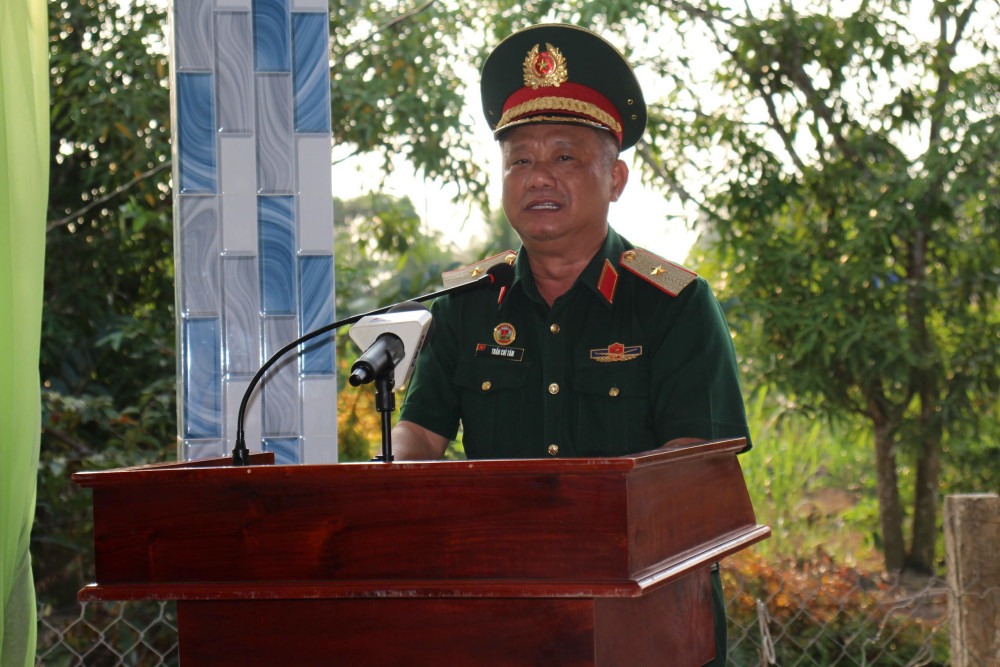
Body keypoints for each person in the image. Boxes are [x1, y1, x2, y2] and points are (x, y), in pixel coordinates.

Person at [390, 23, 751, 666]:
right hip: (501, 612)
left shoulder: (674, 305)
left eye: (564, 158)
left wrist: (575, 531)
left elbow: (695, 465)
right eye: (519, 161)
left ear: (616, 178)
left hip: (645, 615)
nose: (538, 178)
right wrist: (394, 494)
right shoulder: (466, 306)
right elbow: (417, 436)